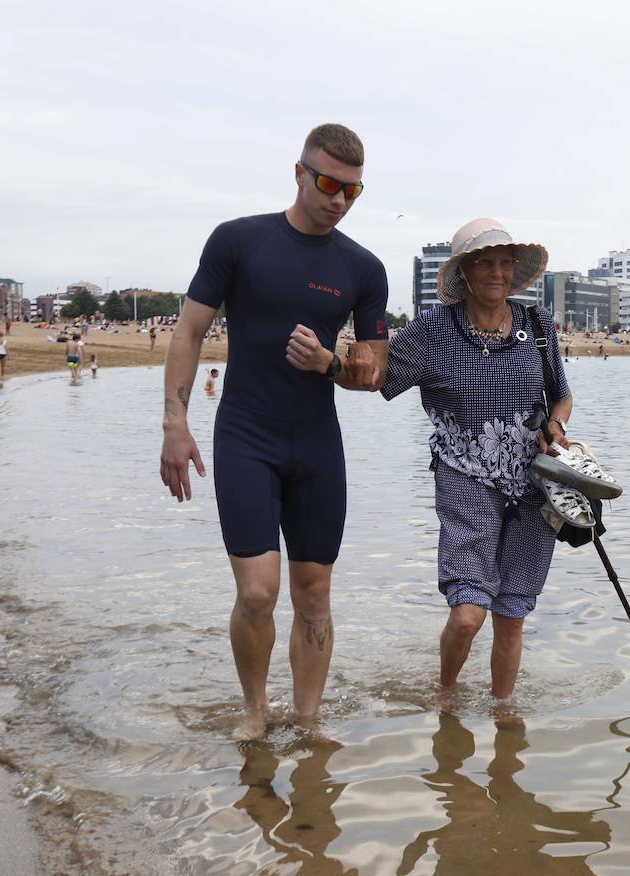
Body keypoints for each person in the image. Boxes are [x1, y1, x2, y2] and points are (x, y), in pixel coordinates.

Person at [158, 123, 388, 740]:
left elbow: (374, 371)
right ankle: (255, 712)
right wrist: (175, 423)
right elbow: (188, 333)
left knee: (314, 594)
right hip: (246, 435)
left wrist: (331, 364)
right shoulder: (239, 241)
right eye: (327, 184)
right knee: (259, 593)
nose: (338, 199)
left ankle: (308, 724)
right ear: (298, 172)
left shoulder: (362, 268)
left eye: (353, 191)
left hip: (316, 443)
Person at [380, 217, 568, 701]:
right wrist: (329, 365)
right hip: (464, 477)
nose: (497, 273)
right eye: (485, 263)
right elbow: (377, 375)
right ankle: (446, 691)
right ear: (464, 271)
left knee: (511, 617)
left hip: (533, 485)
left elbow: (560, 396)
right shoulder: (433, 328)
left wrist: (556, 427)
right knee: (468, 616)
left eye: (505, 264)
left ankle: (505, 723)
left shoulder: (537, 325)